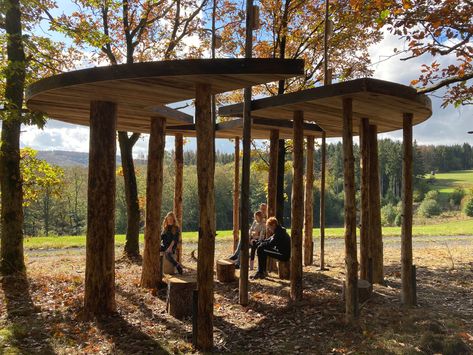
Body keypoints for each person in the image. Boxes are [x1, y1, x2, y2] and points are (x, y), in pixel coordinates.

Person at [229, 203, 268, 267]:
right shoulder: (256, 221)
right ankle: (236, 255)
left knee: (245, 244)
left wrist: (254, 236)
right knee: (243, 239)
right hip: (252, 237)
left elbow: (262, 234)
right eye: (261, 208)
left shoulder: (264, 222)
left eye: (263, 209)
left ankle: (238, 262)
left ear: (266, 209)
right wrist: (250, 235)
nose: (262, 210)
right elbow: (251, 229)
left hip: (258, 239)